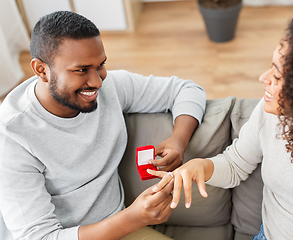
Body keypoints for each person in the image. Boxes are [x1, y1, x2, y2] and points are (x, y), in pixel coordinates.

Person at [150, 13, 293, 239]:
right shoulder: (272, 112)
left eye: (277, 76)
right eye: (271, 66)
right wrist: (199, 167)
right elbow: (235, 164)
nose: (263, 77)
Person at [0, 11, 206, 240]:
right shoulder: (12, 137)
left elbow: (186, 89)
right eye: (81, 70)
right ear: (41, 70)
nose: (97, 81)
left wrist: (178, 141)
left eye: (101, 65)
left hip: (121, 228)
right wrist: (134, 218)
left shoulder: (109, 89)